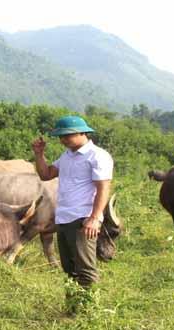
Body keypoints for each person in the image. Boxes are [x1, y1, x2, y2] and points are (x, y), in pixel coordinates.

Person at [32, 115, 113, 293]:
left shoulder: (98, 156)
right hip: (64, 218)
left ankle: (89, 312)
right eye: (60, 137)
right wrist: (39, 154)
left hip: (83, 220)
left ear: (82, 133)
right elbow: (46, 175)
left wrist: (95, 218)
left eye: (67, 136)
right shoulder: (67, 155)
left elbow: (103, 188)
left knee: (85, 270)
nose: (63, 140)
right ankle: (74, 309)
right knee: (69, 269)